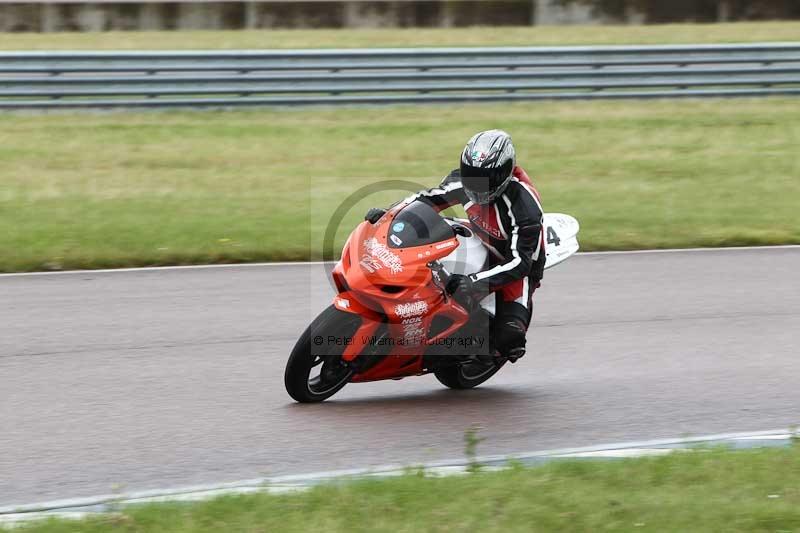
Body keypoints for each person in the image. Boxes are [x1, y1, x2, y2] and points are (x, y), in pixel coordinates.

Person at [365, 130, 545, 361]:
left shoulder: (524, 207)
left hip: (516, 264)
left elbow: (521, 263)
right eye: (471, 174)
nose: (476, 183)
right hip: (479, 238)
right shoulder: (462, 180)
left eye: (486, 178)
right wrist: (389, 215)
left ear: (505, 173)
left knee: (510, 338)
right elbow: (425, 201)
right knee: (421, 257)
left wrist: (474, 283)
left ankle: (475, 347)